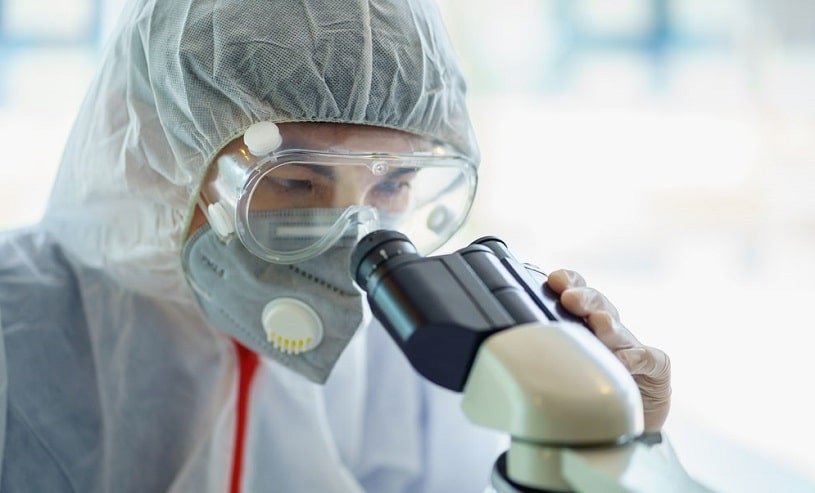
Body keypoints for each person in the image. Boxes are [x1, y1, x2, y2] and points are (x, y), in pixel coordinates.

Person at [0, 0, 671, 491]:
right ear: (156, 143)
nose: (350, 233)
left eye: (394, 184)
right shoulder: (18, 335)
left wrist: (611, 452)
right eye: (293, 181)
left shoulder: (408, 351)